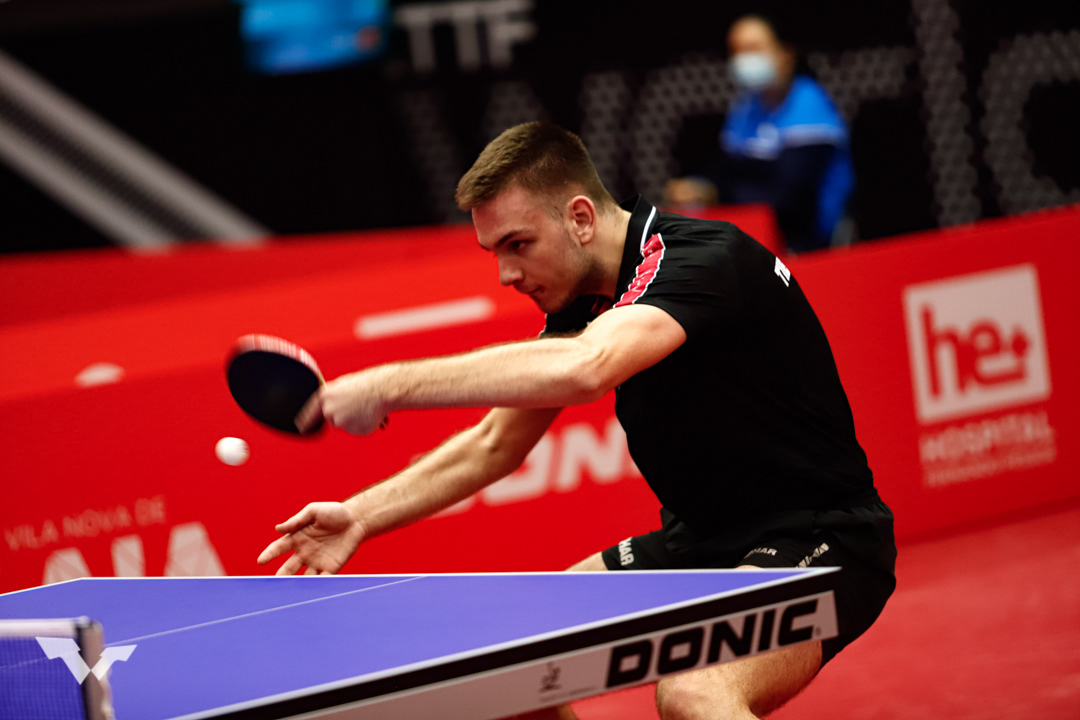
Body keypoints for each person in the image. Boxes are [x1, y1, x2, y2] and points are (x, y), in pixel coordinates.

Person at [258, 122, 895, 719]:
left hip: (822, 539)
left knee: (695, 690)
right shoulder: (586, 304)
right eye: (494, 252)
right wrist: (360, 516)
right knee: (505, 665)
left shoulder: (701, 260)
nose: (506, 274)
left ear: (581, 218)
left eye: (518, 245)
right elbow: (493, 444)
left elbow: (588, 365)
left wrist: (389, 385)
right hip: (699, 541)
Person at [665, 15, 855, 254]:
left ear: (786, 55)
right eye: (736, 50)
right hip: (751, 243)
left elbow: (788, 198)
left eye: (753, 48)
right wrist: (698, 188)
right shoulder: (745, 107)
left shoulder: (810, 104)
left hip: (808, 246)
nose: (743, 59)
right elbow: (723, 171)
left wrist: (716, 193)